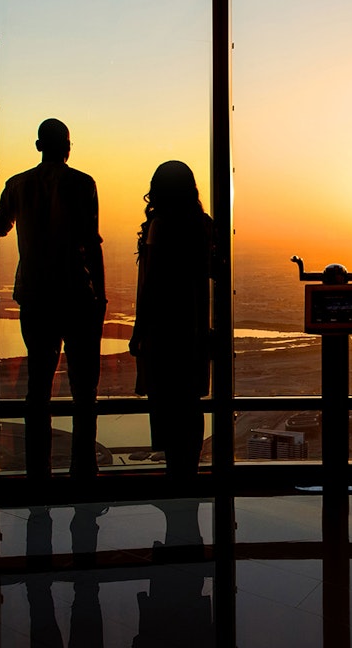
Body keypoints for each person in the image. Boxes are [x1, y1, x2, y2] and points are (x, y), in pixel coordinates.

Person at [0, 118, 107, 479]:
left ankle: (37, 471)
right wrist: (101, 296)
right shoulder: (82, 184)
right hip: (76, 294)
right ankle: (83, 469)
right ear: (67, 146)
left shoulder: (17, 185)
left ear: (39, 145)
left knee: (38, 388)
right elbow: (91, 244)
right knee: (83, 389)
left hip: (36, 296)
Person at [129, 160, 213, 480]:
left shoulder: (161, 225)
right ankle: (187, 473)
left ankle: (177, 477)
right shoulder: (204, 226)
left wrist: (139, 332)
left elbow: (151, 285)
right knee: (189, 404)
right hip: (193, 330)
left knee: (167, 404)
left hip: (164, 329)